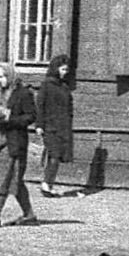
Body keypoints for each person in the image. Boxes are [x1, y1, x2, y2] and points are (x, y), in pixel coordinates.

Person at [0, 62, 40, 229]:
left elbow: (31, 116)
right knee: (15, 180)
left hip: (12, 142)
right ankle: (29, 215)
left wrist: (10, 120)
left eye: (3, 77)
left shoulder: (23, 93)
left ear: (10, 75)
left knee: (3, 178)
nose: (0, 80)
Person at [35, 54, 79, 198]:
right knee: (54, 155)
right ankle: (46, 185)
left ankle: (48, 184)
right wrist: (39, 125)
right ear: (55, 69)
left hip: (62, 127)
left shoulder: (64, 87)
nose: (65, 72)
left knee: (57, 156)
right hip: (49, 126)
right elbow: (40, 105)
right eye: (62, 69)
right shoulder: (46, 85)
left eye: (66, 70)